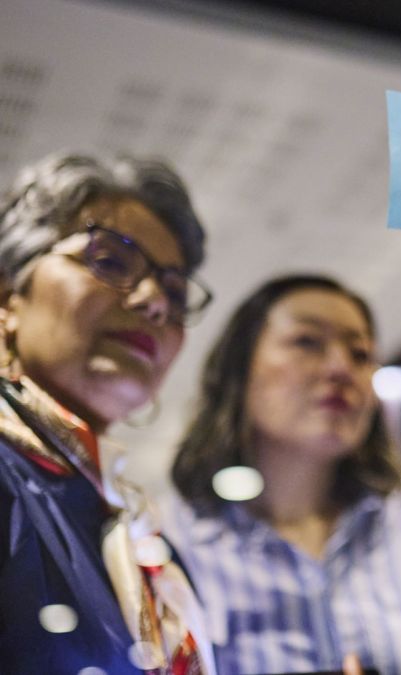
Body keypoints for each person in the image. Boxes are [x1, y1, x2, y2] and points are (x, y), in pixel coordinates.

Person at [164, 274, 401, 675]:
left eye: (360, 353)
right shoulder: (171, 542)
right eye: (307, 342)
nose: (340, 368)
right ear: (239, 370)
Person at [0, 152, 216, 673]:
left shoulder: (141, 536)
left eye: (175, 291)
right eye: (111, 261)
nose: (154, 302)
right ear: (8, 296)